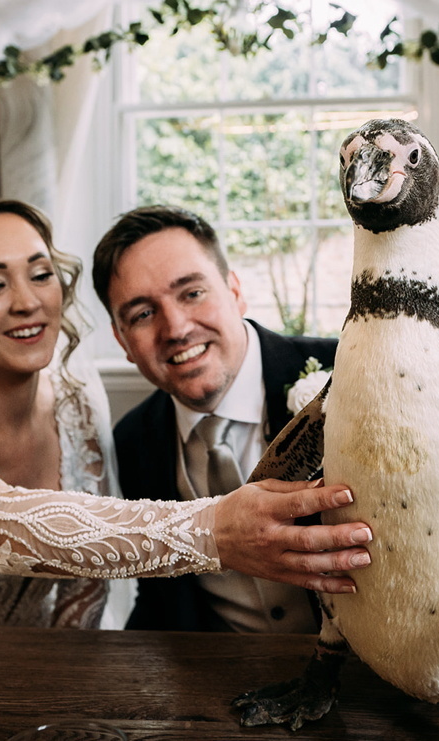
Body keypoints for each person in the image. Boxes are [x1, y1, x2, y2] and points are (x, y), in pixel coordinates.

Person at [0, 199, 372, 627]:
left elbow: (85, 598)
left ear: (235, 289)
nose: (28, 300)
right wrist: (213, 531)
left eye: (40, 274)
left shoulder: (80, 409)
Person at [92, 206, 345, 634]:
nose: (175, 328)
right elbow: (159, 599)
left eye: (192, 293)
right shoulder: (134, 439)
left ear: (234, 290)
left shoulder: (344, 374)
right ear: (122, 341)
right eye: (142, 314)